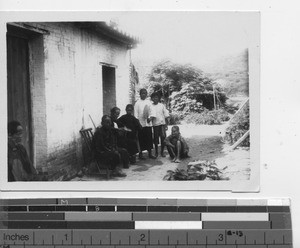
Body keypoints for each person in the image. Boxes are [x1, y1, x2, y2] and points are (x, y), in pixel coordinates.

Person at [134, 88, 155, 159]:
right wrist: (138, 124)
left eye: (145, 93)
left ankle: (150, 153)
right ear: (140, 94)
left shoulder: (149, 102)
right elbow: (136, 115)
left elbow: (152, 112)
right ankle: (141, 154)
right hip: (140, 124)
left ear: (146, 94)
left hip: (148, 124)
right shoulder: (137, 103)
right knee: (141, 139)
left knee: (149, 139)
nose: (144, 94)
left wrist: (150, 118)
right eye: (142, 93)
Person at [148, 92, 170, 158]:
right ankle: (156, 152)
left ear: (159, 98)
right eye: (154, 97)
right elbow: (150, 115)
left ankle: (162, 152)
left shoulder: (162, 105)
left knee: (163, 138)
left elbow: (166, 114)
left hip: (162, 124)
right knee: (156, 139)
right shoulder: (150, 106)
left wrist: (167, 123)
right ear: (152, 99)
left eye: (157, 97)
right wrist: (149, 119)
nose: (155, 99)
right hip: (155, 125)